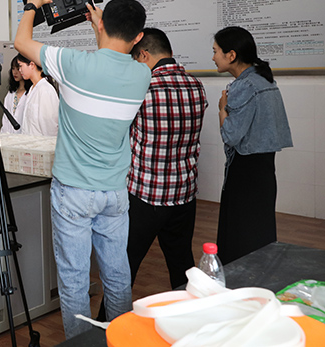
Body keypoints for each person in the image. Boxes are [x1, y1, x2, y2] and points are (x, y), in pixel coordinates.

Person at [15, 0, 150, 339]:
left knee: (74, 278)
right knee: (116, 273)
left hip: (74, 191)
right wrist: (99, 27)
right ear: (138, 37)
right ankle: (120, 340)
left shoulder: (73, 64)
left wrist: (32, 5)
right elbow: (110, 61)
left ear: (103, 25)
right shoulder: (142, 75)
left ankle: (80, 344)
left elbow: (22, 42)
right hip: (114, 192)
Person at [99, 29, 207, 323]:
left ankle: (104, 329)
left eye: (136, 60)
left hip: (145, 196)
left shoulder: (142, 88)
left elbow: (116, 134)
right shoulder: (196, 85)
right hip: (184, 194)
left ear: (144, 55)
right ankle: (193, 324)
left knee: (124, 266)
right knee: (181, 265)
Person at [212, 26, 292, 264]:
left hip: (245, 169)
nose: (213, 57)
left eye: (216, 51)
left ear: (231, 55)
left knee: (239, 233)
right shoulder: (264, 79)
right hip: (264, 169)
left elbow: (230, 135)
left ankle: (238, 279)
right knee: (259, 229)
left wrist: (222, 110)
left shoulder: (244, 85)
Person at [16, 54, 59, 136]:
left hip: (42, 142)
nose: (19, 70)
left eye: (21, 66)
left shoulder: (45, 89)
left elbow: (50, 127)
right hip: (29, 141)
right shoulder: (32, 88)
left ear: (32, 65)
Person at [0, 56, 32, 134]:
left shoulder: (31, 93)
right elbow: (6, 118)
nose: (15, 72)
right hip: (8, 135)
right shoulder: (11, 93)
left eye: (18, 68)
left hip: (25, 135)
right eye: (13, 68)